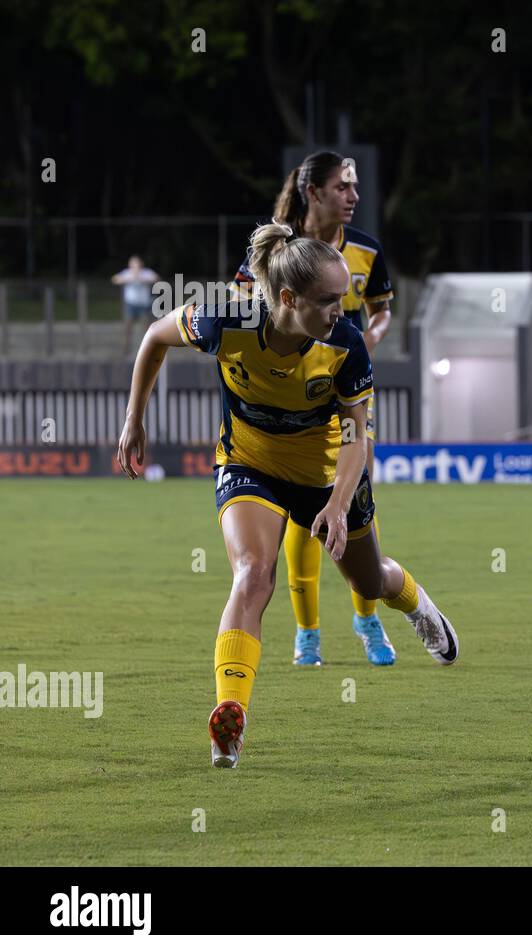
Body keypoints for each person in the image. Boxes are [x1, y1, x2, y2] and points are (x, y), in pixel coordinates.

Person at [117, 223, 457, 769]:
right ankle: (230, 717)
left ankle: (415, 602)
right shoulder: (224, 318)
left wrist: (339, 503)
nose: (340, 310)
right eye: (328, 301)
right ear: (286, 298)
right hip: (249, 462)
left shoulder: (344, 343)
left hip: (327, 474)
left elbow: (356, 435)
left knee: (369, 581)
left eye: (344, 297)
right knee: (253, 573)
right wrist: (134, 419)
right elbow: (154, 337)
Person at [232, 151, 397, 668]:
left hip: (345, 396)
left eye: (355, 187)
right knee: (302, 520)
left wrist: (368, 339)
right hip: (289, 403)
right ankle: (308, 633)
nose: (354, 196)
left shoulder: (367, 251)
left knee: (350, 509)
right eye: (343, 187)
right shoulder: (277, 254)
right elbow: (240, 310)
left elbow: (383, 310)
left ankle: (366, 615)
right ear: (314, 192)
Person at [111, 256, 160, 353]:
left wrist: (143, 279)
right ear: (130, 265)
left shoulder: (146, 273)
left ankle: (147, 349)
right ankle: (125, 349)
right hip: (130, 305)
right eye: (133, 264)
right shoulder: (127, 273)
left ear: (141, 264)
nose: (135, 266)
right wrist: (127, 279)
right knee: (127, 328)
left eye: (137, 264)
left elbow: (157, 278)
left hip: (143, 305)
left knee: (146, 328)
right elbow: (114, 279)